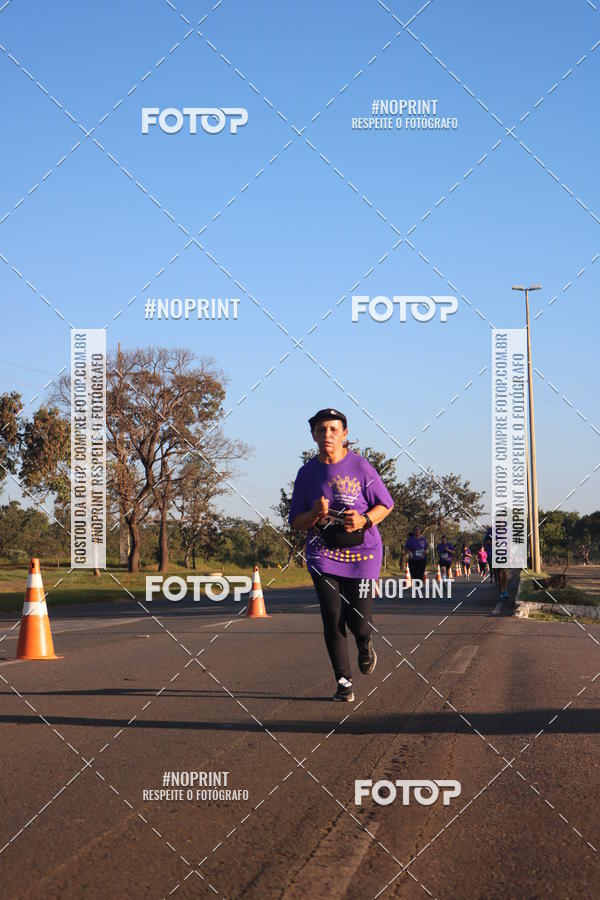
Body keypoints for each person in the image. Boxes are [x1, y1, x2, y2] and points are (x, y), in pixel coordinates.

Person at [289, 408, 394, 702]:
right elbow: (296, 521)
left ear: (345, 434)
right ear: (313, 435)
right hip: (323, 555)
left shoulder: (361, 467)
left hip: (363, 554)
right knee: (332, 616)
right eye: (321, 430)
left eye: (334, 430)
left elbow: (385, 504)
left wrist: (364, 520)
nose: (327, 435)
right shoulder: (307, 474)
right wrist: (314, 514)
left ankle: (364, 642)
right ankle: (343, 682)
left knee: (358, 619)